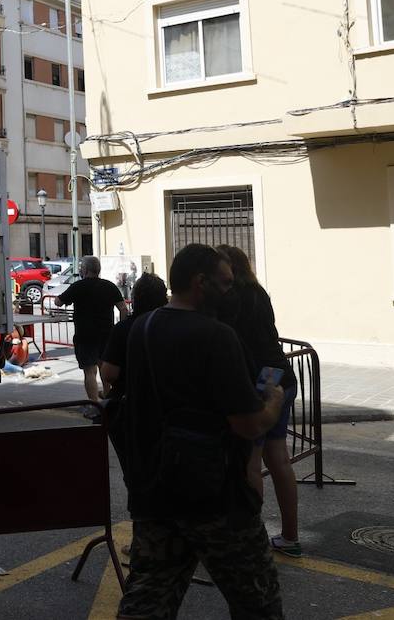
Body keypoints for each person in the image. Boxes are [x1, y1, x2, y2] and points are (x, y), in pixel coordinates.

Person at [118, 244, 286, 619]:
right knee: (257, 601)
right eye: (225, 283)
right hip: (215, 498)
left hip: (156, 492)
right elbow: (248, 424)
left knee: (148, 601)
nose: (231, 291)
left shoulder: (141, 328)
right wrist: (273, 402)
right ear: (200, 282)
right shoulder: (217, 337)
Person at [215, 245, 303, 558]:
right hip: (281, 374)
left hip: (260, 378)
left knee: (252, 461)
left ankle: (253, 539)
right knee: (278, 459)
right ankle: (290, 536)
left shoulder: (231, 299)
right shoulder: (259, 292)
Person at [56, 255, 130, 402]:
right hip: (106, 334)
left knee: (90, 371)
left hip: (85, 335)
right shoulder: (109, 286)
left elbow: (58, 302)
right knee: (105, 367)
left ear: (85, 270)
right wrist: (120, 328)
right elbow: (123, 309)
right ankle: (109, 399)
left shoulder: (78, 286)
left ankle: (94, 404)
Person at [100, 271, 168, 399]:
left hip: (131, 399)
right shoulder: (173, 326)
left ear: (135, 298)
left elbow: (109, 374)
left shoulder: (123, 329)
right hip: (166, 401)